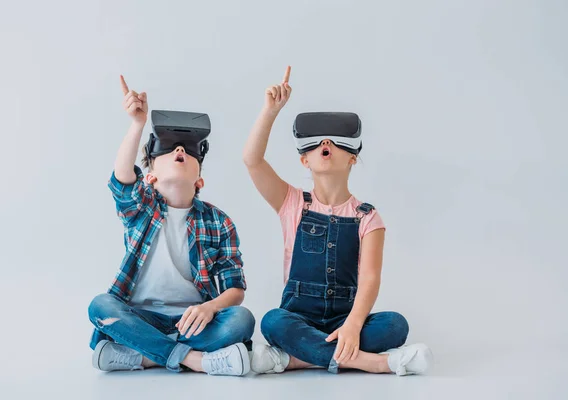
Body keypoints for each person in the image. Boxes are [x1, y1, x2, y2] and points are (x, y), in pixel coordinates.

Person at [243, 66, 433, 376]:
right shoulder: (292, 203)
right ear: (305, 160)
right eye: (316, 143)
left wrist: (354, 325)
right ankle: (376, 363)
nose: (325, 143)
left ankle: (293, 359)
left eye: (334, 141)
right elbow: (252, 160)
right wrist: (270, 110)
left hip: (347, 318)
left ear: (353, 157)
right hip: (298, 318)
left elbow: (370, 279)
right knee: (272, 322)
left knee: (395, 325)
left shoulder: (368, 217)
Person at [87, 76, 254, 376]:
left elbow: (235, 289)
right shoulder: (142, 208)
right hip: (140, 316)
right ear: (150, 176)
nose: (180, 150)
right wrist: (137, 124)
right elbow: (122, 177)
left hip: (193, 319)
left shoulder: (219, 221)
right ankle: (194, 360)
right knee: (101, 306)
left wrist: (210, 308)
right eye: (170, 150)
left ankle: (144, 355)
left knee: (242, 320)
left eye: (189, 152)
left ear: (199, 180)